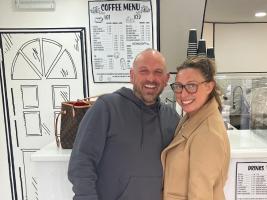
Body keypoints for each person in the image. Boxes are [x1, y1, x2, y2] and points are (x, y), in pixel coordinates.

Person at [68, 48, 180, 200]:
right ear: (132, 76)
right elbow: (82, 161)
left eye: (158, 72)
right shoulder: (106, 108)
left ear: (166, 79)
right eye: (144, 71)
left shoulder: (172, 118)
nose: (151, 78)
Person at [161, 56, 230, 200]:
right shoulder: (192, 117)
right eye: (179, 86)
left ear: (209, 86)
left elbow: (200, 195)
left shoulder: (208, 133)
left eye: (191, 86)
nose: (183, 94)